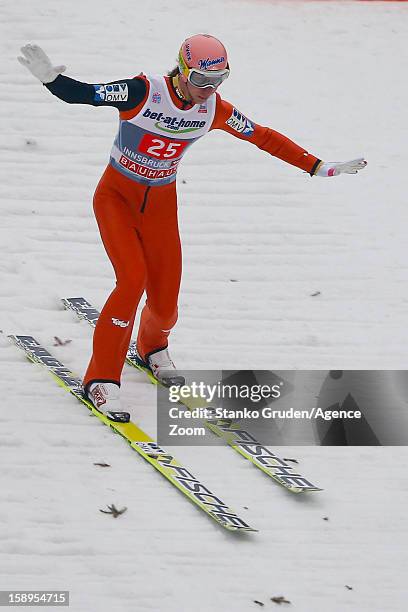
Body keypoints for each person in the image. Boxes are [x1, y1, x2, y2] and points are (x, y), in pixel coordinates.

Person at [18, 35, 367, 420]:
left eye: (220, 79)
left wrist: (317, 166)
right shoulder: (142, 91)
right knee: (132, 281)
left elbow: (261, 136)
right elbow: (85, 94)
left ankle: (152, 347)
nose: (209, 89)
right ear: (182, 70)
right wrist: (52, 80)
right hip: (116, 198)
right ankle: (101, 380)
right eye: (202, 78)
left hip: (161, 206)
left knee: (165, 303)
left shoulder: (214, 108)